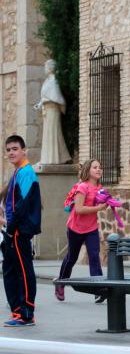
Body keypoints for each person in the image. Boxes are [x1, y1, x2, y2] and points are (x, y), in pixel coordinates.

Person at [54, 159, 108, 303]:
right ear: (88, 170)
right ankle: (61, 282)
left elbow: (99, 203)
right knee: (72, 257)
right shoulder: (83, 187)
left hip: (91, 228)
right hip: (75, 228)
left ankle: (99, 288)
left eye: (100, 167)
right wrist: (99, 208)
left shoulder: (100, 187)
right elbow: (78, 209)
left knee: (94, 256)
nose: (99, 169)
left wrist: (108, 203)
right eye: (95, 167)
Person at [2, 135, 42, 327]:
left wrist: (11, 230)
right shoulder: (18, 172)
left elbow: (22, 204)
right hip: (12, 230)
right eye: (8, 149)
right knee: (9, 269)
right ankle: (17, 311)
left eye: (15, 148)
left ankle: (27, 313)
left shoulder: (26, 172)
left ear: (24, 150)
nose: (11, 152)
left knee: (24, 271)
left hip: (19, 231)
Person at [34, 59, 71, 165]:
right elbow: (45, 96)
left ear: (50, 68)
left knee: (53, 133)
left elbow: (56, 97)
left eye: (46, 67)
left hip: (53, 111)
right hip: (47, 110)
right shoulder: (47, 81)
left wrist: (44, 101)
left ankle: (53, 159)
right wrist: (40, 104)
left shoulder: (54, 81)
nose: (45, 69)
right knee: (47, 134)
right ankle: (46, 159)